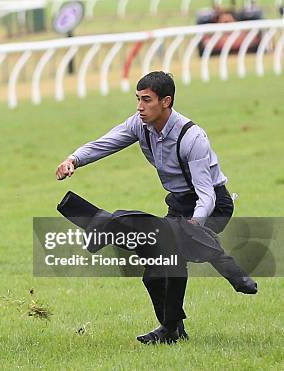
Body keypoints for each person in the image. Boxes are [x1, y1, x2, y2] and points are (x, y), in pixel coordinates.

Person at [55, 71, 255, 344]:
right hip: (177, 206)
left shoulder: (192, 136)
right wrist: (73, 160)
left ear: (166, 102)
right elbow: (106, 142)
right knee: (154, 274)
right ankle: (173, 329)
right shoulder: (139, 125)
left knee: (171, 256)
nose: (139, 106)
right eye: (137, 99)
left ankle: (219, 271)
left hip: (211, 206)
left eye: (146, 100)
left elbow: (206, 194)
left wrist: (194, 225)